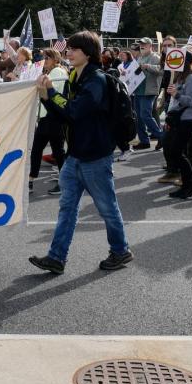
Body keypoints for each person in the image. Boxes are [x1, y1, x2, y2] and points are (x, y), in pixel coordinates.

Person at [28, 31, 132, 275]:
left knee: (107, 208)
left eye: (74, 49)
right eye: (69, 49)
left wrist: (51, 94)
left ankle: (120, 250)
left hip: (95, 156)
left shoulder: (95, 79)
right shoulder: (77, 76)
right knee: (67, 208)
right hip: (76, 155)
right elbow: (63, 113)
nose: (68, 53)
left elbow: (75, 111)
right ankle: (56, 257)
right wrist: (46, 97)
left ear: (87, 53)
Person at [161, 51, 192, 199]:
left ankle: (190, 183)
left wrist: (177, 94)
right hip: (179, 120)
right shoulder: (181, 77)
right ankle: (190, 184)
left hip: (188, 120)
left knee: (177, 152)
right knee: (175, 151)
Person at [28, 48, 67, 194]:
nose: (45, 60)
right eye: (44, 57)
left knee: (57, 151)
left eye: (48, 57)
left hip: (54, 116)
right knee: (38, 149)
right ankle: (30, 180)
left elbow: (51, 93)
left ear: (55, 59)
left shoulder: (58, 72)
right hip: (47, 116)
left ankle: (64, 183)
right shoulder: (50, 72)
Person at [132, 37, 163, 150]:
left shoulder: (155, 57)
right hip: (138, 91)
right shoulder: (139, 57)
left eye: (144, 44)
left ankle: (161, 136)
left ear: (150, 46)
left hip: (149, 91)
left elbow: (161, 70)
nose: (142, 45)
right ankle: (144, 141)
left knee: (145, 115)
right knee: (139, 117)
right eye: (140, 44)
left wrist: (147, 66)